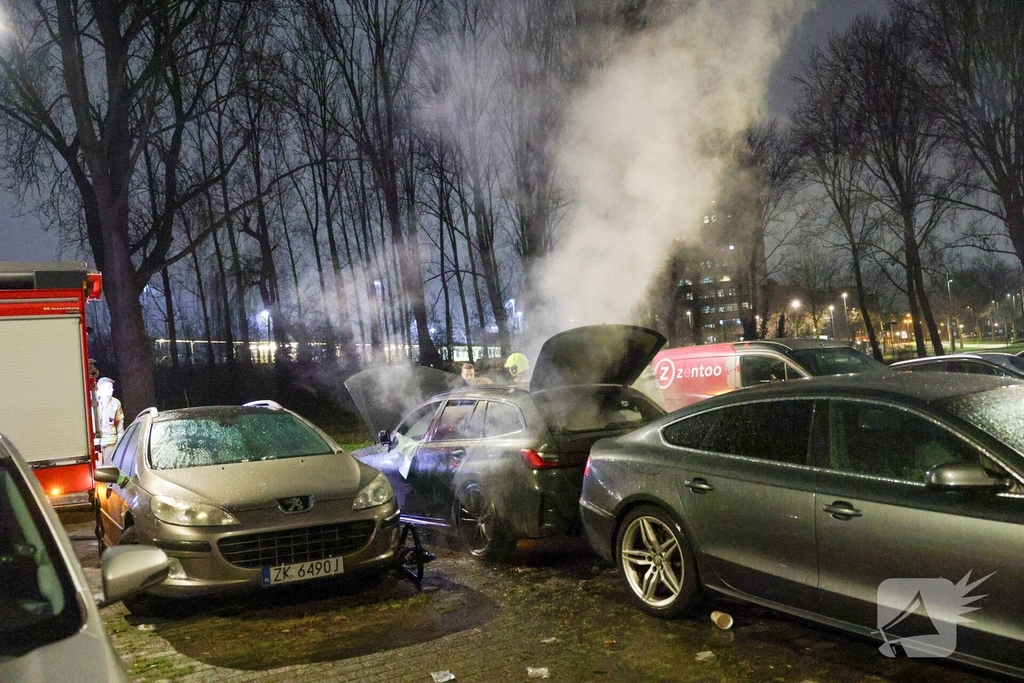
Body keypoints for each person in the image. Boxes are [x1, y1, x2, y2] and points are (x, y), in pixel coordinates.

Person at [95, 377, 124, 462]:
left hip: (110, 444)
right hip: (95, 445)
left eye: (112, 387)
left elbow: (120, 421)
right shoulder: (91, 402)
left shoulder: (116, 403)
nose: (112, 389)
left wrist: (120, 439)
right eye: (109, 387)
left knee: (109, 466)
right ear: (100, 389)